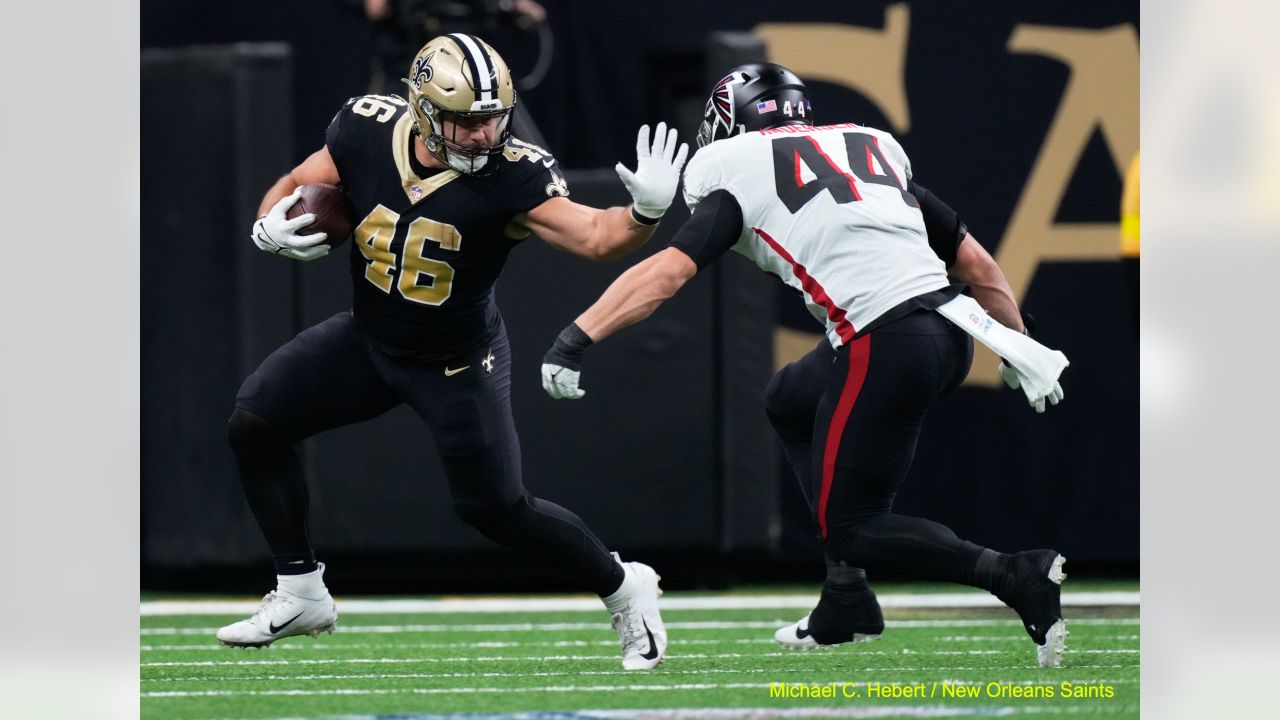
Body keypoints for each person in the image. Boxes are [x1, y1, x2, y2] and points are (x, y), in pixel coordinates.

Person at [540, 63, 1070, 667]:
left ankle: (1015, 574)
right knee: (789, 398)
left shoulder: (736, 171)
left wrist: (575, 337)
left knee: (855, 527)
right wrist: (1015, 343)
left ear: (727, 121)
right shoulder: (868, 150)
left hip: (885, 342)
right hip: (951, 335)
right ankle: (845, 596)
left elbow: (667, 275)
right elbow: (978, 267)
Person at [218, 33, 689, 671]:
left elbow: (598, 238)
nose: (479, 134)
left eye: (491, 118)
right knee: (255, 421)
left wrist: (645, 213)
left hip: (455, 361)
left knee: (497, 510)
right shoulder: (363, 128)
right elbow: (299, 181)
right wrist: (268, 221)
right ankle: (301, 591)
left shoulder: (514, 173)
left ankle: (624, 585)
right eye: (462, 120)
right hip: (369, 336)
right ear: (420, 108)